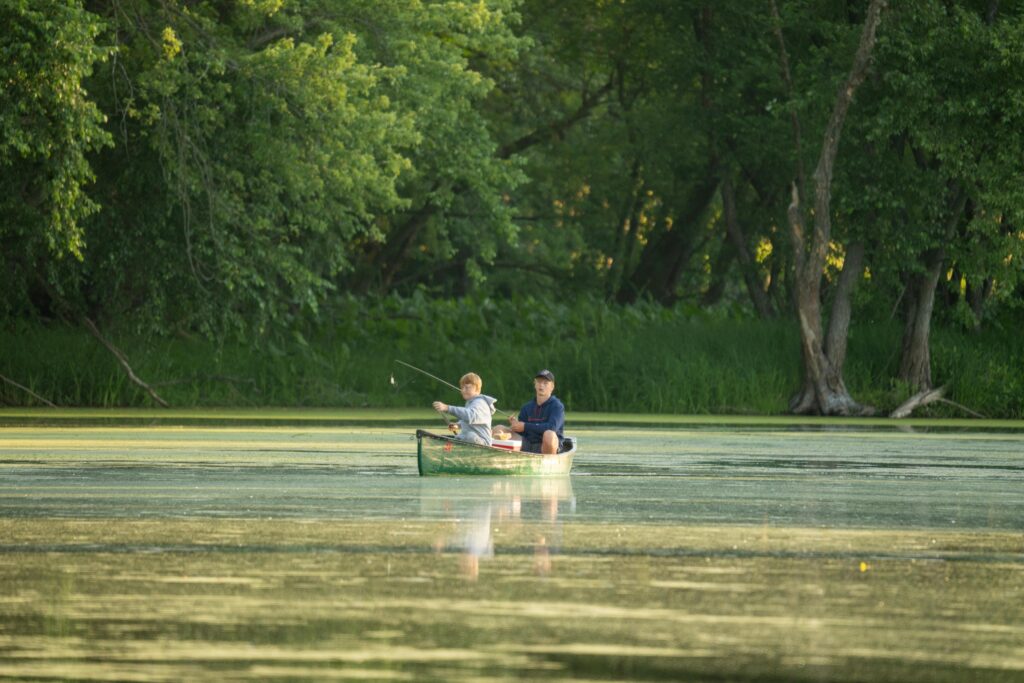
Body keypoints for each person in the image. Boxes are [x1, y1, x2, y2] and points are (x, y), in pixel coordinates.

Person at [507, 369, 565, 454]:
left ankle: (548, 464)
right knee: (499, 429)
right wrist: (515, 426)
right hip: (528, 445)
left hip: (548, 446)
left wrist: (525, 426)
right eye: (539, 382)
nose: (541, 385)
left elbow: (552, 427)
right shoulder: (526, 408)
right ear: (535, 384)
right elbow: (522, 432)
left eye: (545, 383)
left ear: (552, 387)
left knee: (549, 434)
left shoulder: (557, 406)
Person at [432, 372, 497, 446]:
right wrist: (458, 425)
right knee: (455, 439)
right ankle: (446, 451)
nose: (463, 390)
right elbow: (471, 421)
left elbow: (470, 416)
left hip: (483, 442)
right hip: (470, 440)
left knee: (470, 436)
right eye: (462, 387)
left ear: (477, 389)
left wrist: (447, 408)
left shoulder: (480, 403)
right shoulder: (471, 403)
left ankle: (451, 450)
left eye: (467, 387)